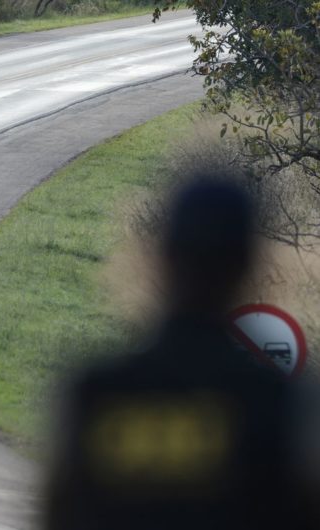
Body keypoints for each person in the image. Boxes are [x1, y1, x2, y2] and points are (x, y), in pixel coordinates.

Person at [43, 175, 306, 530]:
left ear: (164, 255)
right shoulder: (284, 405)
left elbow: (61, 511)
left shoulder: (99, 393)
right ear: (248, 263)